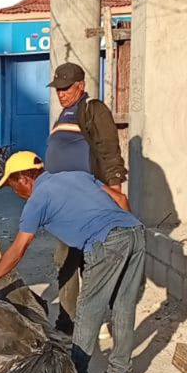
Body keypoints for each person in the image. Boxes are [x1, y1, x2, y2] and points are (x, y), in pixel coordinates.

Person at [0, 151, 144, 373]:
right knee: (123, 305)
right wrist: (123, 231)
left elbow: (18, 250)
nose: (16, 193)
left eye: (13, 186)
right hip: (134, 231)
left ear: (24, 178)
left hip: (104, 242)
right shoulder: (77, 176)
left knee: (88, 311)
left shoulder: (37, 201)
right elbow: (121, 199)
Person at [45, 62, 127, 336]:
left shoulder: (93, 110)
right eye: (58, 89)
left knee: (94, 262)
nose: (61, 94)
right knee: (65, 260)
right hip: (64, 205)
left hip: (90, 202)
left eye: (66, 88)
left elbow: (110, 153)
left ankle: (100, 319)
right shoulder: (63, 115)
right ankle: (68, 321)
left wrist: (116, 195)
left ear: (80, 86)